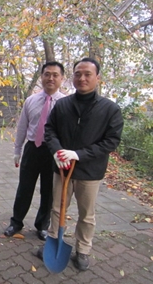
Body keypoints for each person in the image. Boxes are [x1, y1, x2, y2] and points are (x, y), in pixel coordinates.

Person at [40, 57, 124, 271]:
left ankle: (83, 250)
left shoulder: (110, 109)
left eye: (87, 74)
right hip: (62, 168)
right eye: (78, 74)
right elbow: (50, 130)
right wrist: (57, 151)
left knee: (86, 214)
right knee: (57, 208)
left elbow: (111, 141)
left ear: (98, 77)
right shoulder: (62, 104)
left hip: (90, 171)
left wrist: (79, 154)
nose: (82, 78)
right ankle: (53, 241)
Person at [4, 61, 66, 240]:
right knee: (24, 188)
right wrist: (17, 150)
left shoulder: (65, 103)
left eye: (55, 75)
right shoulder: (31, 100)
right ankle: (16, 222)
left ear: (62, 78)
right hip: (32, 148)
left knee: (48, 191)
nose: (51, 78)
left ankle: (42, 225)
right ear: (42, 77)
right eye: (47, 74)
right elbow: (22, 126)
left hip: (53, 152)